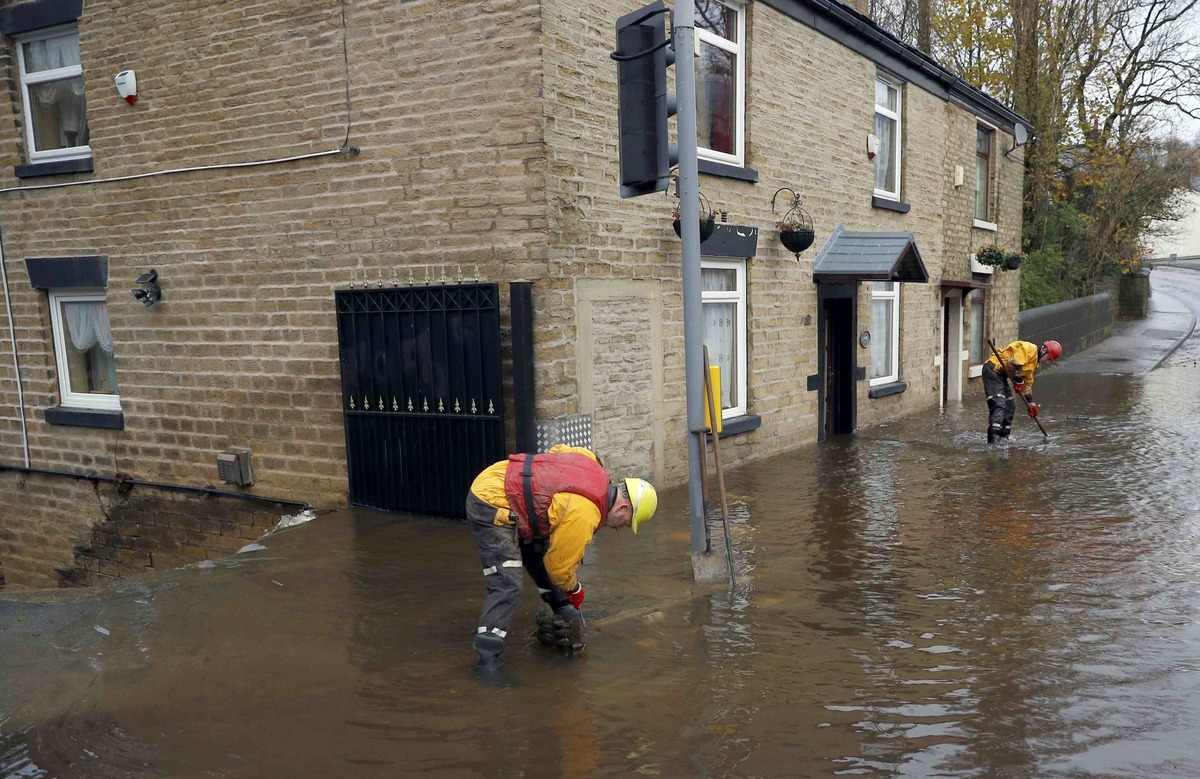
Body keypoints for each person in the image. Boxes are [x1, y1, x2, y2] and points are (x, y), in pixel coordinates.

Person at [465, 443, 658, 672]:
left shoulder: (591, 462)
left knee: (540, 551)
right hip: (491, 502)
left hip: (505, 484)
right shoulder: (585, 513)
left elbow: (558, 450)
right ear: (622, 508)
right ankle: (487, 661)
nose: (618, 529)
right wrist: (575, 590)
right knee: (507, 584)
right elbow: (559, 568)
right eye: (625, 524)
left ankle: (564, 610)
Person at [983, 339, 1062, 443]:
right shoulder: (1029, 348)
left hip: (1002, 375)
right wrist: (1019, 380)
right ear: (1044, 350)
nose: (1047, 362)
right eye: (1048, 358)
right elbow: (1013, 364)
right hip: (993, 369)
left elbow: (1027, 384)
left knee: (1010, 407)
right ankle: (993, 441)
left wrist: (1031, 404)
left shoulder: (1033, 364)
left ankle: (1003, 438)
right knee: (999, 403)